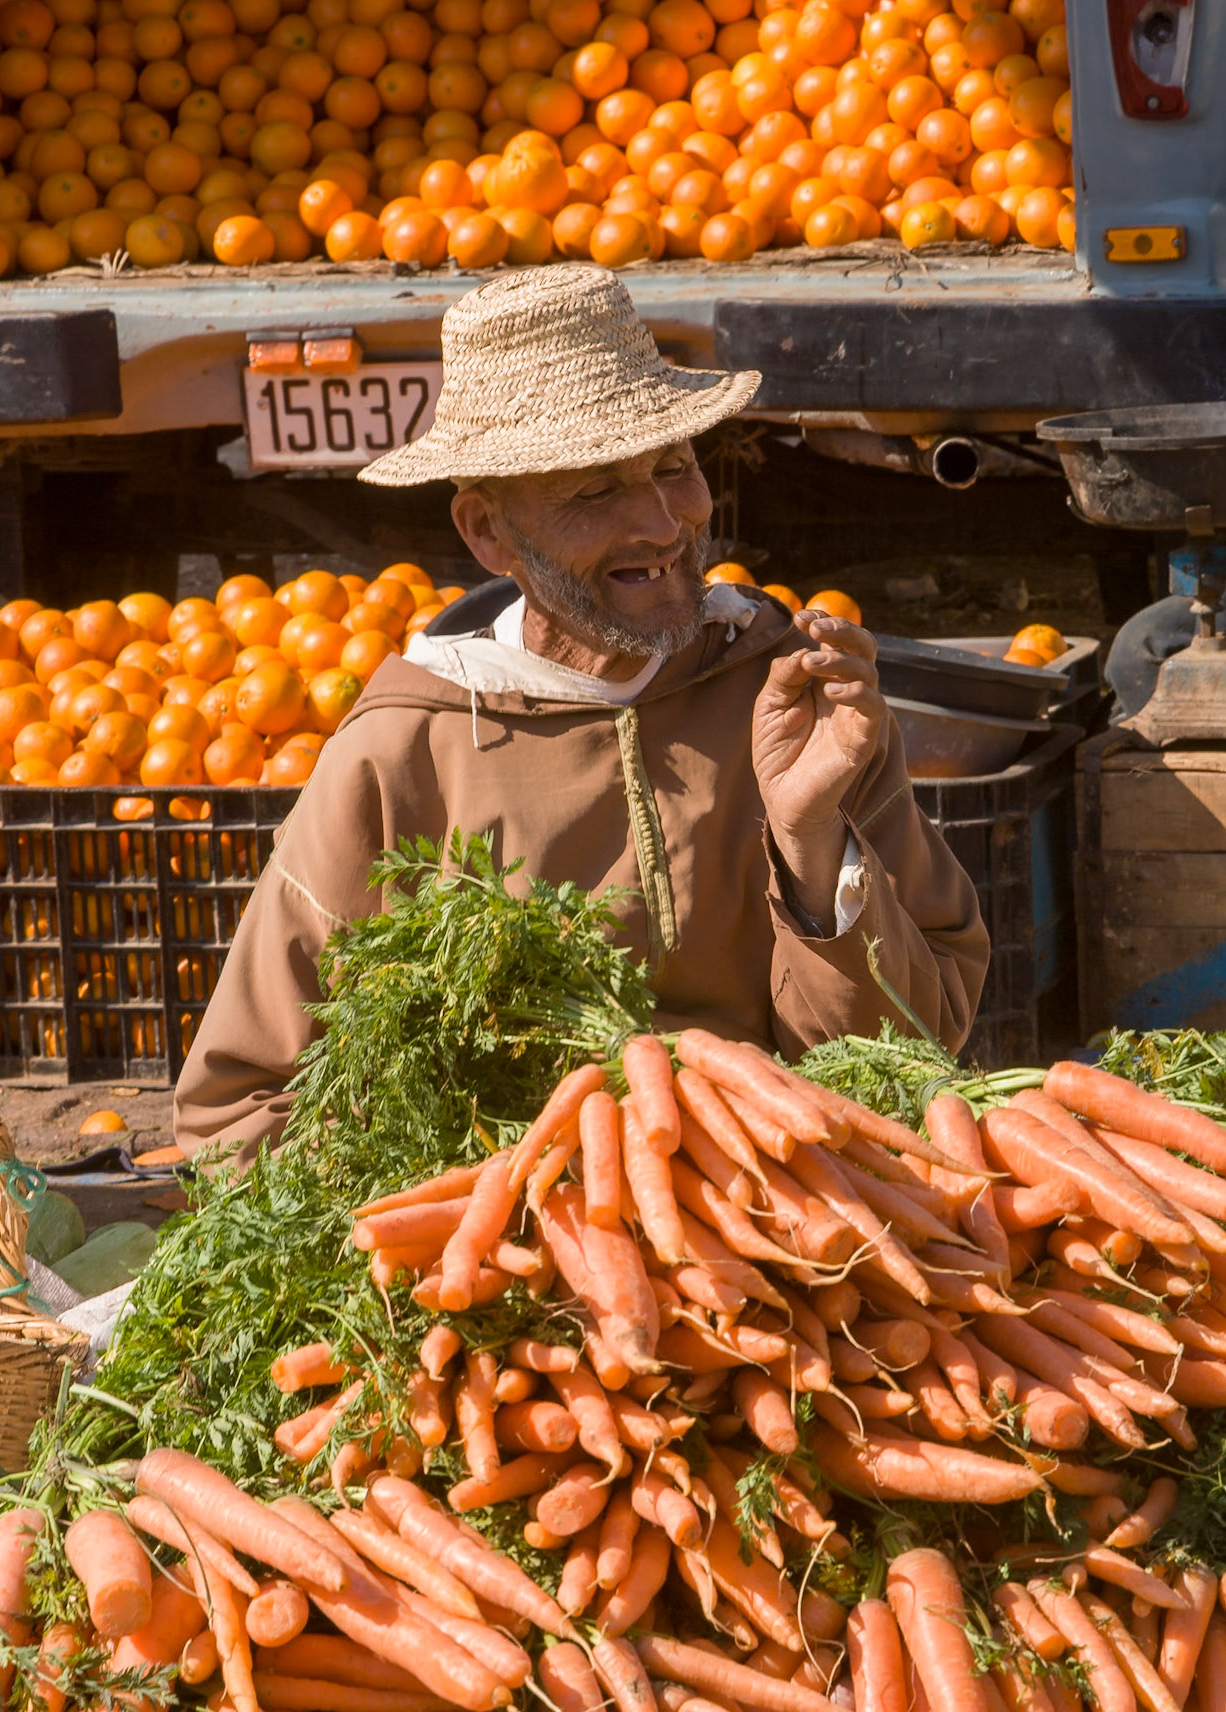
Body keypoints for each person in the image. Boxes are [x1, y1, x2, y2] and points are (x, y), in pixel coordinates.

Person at [175, 265, 987, 1161]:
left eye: (673, 467)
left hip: (793, 1207)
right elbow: (235, 1112)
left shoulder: (794, 699)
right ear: (488, 533)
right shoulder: (407, 750)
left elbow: (912, 1055)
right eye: (594, 491)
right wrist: (491, 1217)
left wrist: (809, 845)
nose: (660, 524)